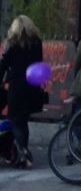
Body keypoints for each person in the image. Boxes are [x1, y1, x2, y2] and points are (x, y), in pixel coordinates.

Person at [0, 15, 46, 168]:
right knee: (23, 120)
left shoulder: (13, 44)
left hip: (17, 87)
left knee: (14, 119)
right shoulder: (37, 43)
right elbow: (39, 64)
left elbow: (3, 64)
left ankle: (24, 153)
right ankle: (22, 154)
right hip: (31, 87)